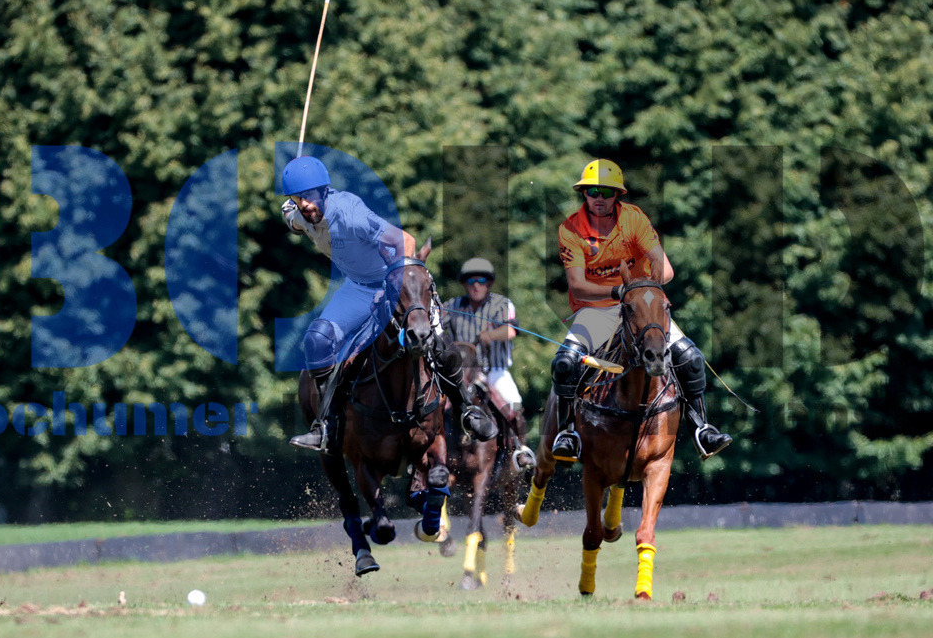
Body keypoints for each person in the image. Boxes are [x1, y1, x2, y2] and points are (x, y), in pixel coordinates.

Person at [280, 156, 497, 452]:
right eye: (298, 199)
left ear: (324, 192)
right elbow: (295, 222)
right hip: (357, 288)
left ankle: (467, 410)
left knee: (435, 342)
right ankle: (327, 426)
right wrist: (290, 215)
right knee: (317, 341)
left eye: (310, 196)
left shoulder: (350, 212)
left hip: (394, 282)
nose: (305, 204)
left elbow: (404, 240)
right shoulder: (301, 216)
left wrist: (393, 287)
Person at [550, 158, 733, 461]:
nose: (598, 198)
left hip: (642, 307)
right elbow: (578, 285)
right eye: (592, 191)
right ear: (584, 194)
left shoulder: (633, 220)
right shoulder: (570, 229)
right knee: (565, 363)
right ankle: (567, 434)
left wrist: (638, 292)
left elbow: (667, 270)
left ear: (617, 195)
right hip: (597, 309)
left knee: (691, 357)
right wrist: (617, 291)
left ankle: (702, 429)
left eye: (606, 192)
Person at [442, 258, 536, 467]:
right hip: (461, 373)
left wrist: (491, 335)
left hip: (494, 370)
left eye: (481, 280)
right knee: (435, 406)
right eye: (470, 280)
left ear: (489, 283)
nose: (476, 285)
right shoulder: (453, 305)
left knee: (513, 404)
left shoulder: (502, 304)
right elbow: (436, 324)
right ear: (464, 284)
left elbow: (511, 330)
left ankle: (521, 450)